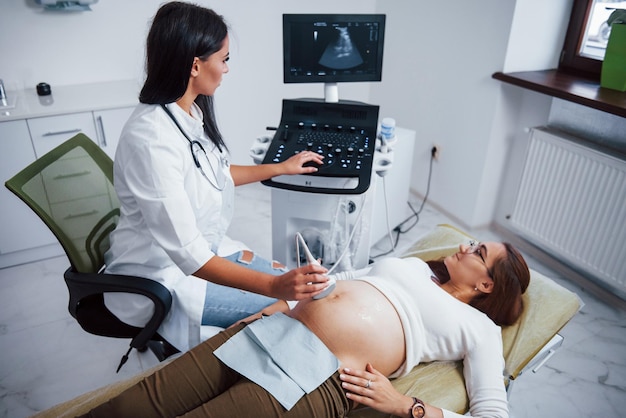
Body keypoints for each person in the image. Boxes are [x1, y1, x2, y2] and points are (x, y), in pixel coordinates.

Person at [83, 240, 530, 418]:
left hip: (315, 376)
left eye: (478, 250)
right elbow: (346, 284)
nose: (464, 245)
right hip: (269, 330)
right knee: (137, 404)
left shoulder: (478, 329)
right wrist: (270, 309)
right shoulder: (414, 266)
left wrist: (404, 406)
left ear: (487, 283)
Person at [103, 1, 329, 353]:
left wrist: (281, 167)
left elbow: (215, 174)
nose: (225, 70)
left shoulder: (186, 111)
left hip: (201, 255)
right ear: (195, 65)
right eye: (223, 59)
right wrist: (274, 289)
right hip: (164, 279)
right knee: (299, 306)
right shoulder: (152, 139)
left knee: (302, 285)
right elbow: (190, 257)